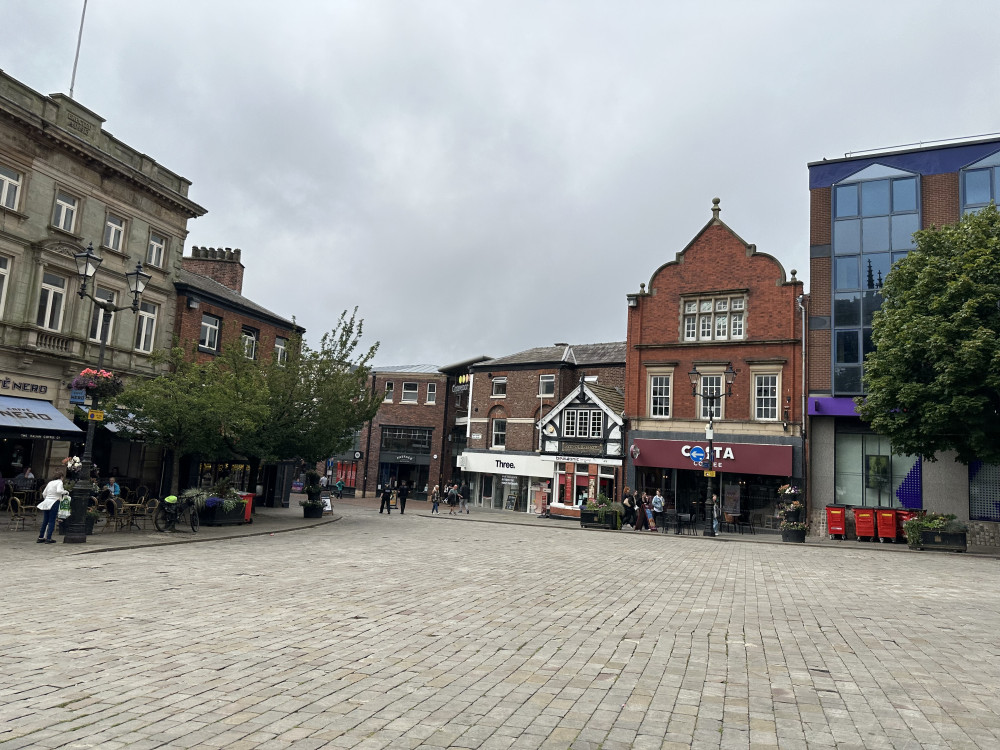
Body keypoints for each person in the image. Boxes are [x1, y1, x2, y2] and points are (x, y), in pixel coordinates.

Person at [37, 470, 65, 544]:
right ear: (61, 477)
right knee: (52, 520)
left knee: (45, 520)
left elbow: (44, 493)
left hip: (47, 502)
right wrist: (65, 492)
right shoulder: (59, 482)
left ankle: (41, 537)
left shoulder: (50, 483)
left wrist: (47, 498)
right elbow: (59, 491)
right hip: (55, 501)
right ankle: (48, 538)